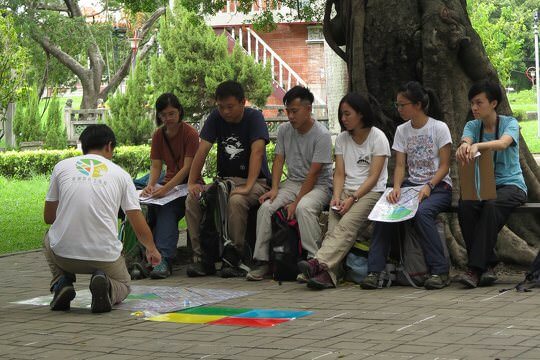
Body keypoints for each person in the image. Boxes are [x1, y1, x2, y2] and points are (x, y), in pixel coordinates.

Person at [43, 124, 161, 313]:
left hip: (63, 255)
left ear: (83, 145)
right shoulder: (121, 175)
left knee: (49, 235)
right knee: (124, 284)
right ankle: (107, 287)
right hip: (104, 257)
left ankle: (61, 283)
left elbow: (49, 217)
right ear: (109, 146)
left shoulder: (62, 167)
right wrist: (152, 249)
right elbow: (136, 220)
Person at [360, 81, 453, 290]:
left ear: (418, 105)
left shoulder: (439, 128)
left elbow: (445, 166)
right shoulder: (402, 130)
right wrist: (396, 187)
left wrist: (429, 185)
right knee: (384, 211)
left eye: (403, 105)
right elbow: (400, 164)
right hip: (411, 186)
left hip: (439, 187)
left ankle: (440, 270)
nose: (399, 109)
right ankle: (375, 271)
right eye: (397, 105)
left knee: (423, 213)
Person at [297, 93, 390, 289]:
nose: (343, 119)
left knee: (346, 227)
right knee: (333, 231)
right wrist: (337, 197)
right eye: (341, 114)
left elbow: (374, 177)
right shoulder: (341, 139)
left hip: (370, 193)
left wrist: (353, 198)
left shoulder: (378, 137)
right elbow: (339, 173)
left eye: (347, 114)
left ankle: (316, 263)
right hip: (345, 192)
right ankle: (328, 277)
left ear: (361, 114)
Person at [185, 80, 271, 278]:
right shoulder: (215, 117)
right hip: (224, 182)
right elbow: (202, 149)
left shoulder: (254, 117)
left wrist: (248, 185)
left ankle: (235, 256)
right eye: (221, 107)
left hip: (256, 181)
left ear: (243, 102)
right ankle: (201, 258)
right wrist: (192, 182)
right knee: (193, 198)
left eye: (230, 107)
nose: (225, 112)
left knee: (236, 200)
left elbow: (257, 152)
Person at [247, 86, 333, 282]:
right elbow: (278, 160)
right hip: (293, 182)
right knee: (266, 207)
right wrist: (275, 189)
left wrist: (295, 202)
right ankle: (263, 262)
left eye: (295, 111)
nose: (290, 116)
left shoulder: (322, 135)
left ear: (308, 109)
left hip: (320, 185)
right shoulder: (285, 130)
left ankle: (314, 262)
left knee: (303, 208)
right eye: (288, 111)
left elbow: (313, 174)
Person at [456, 79, 527, 288]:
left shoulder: (509, 123)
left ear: (493, 103)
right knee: (466, 205)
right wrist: (464, 147)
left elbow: (504, 143)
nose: (474, 108)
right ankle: (488, 265)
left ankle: (475, 269)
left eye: (479, 103)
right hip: (484, 186)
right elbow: (466, 141)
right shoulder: (472, 125)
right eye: (472, 103)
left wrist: (478, 145)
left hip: (512, 186)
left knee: (491, 205)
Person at [140, 93, 199, 279]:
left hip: (187, 184)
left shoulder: (190, 133)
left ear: (180, 112)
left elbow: (187, 167)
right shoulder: (159, 135)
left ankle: (163, 259)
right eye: (164, 115)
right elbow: (156, 165)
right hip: (168, 182)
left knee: (166, 209)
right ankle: (145, 256)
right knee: (143, 202)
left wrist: (165, 189)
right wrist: (151, 186)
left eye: (172, 114)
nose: (168, 119)